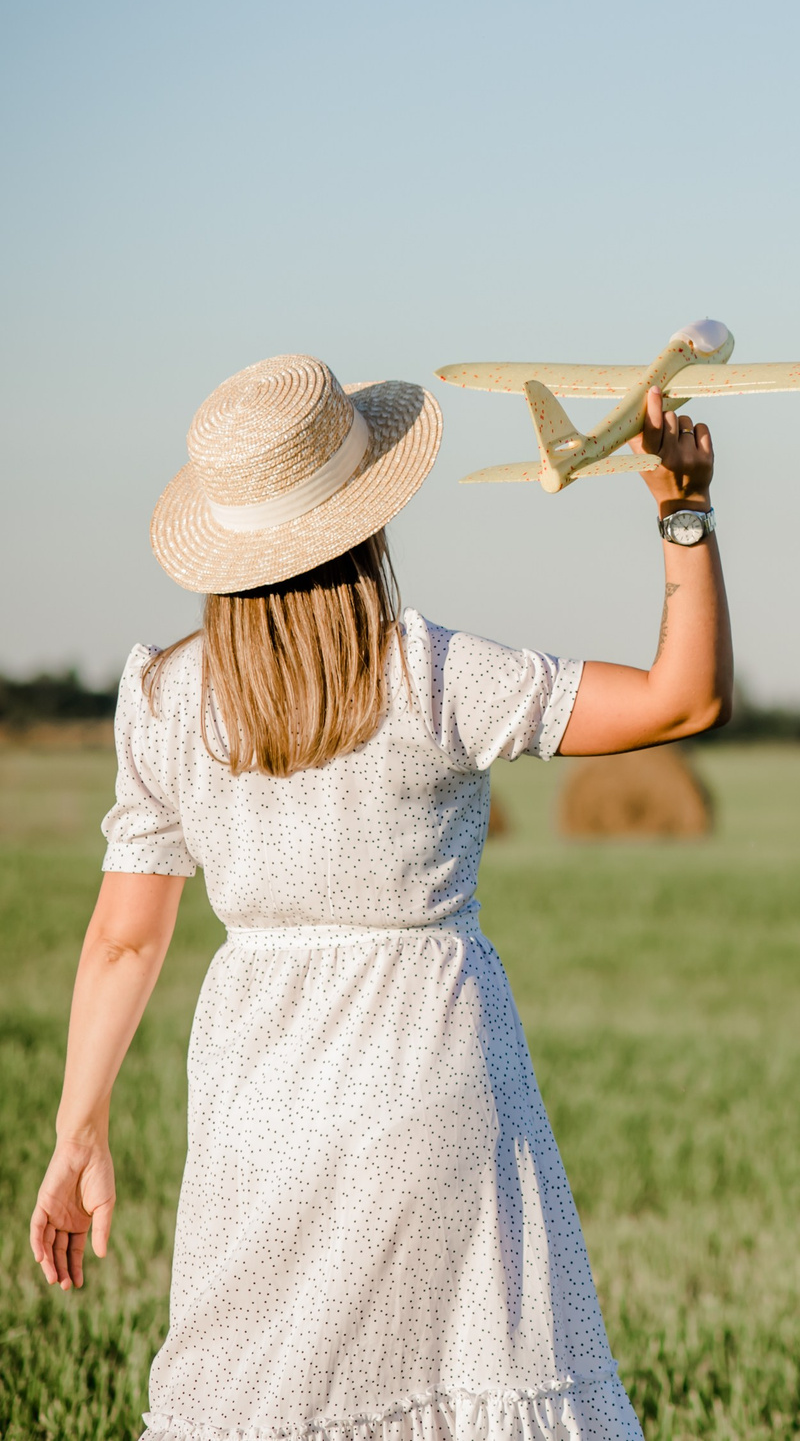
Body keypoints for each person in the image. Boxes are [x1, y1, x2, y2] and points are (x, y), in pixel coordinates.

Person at [27, 353, 732, 1441]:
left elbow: (125, 938)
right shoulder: (433, 674)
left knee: (260, 1400)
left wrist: (78, 1129)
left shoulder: (161, 699)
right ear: (366, 518)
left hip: (255, 1098)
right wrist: (684, 513)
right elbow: (685, 701)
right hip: (431, 1078)